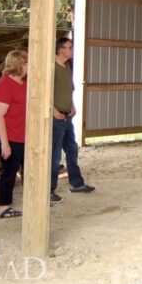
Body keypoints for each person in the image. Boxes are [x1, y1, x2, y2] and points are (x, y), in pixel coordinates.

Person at [51, 37, 94, 204]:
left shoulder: (67, 67)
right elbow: (46, 93)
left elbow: (68, 89)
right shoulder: (52, 68)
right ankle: (49, 191)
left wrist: (72, 105)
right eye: (70, 47)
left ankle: (76, 184)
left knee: (72, 150)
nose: (72, 50)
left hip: (67, 116)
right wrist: (54, 112)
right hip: (56, 118)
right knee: (55, 156)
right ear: (61, 50)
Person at [0, 49, 28, 219]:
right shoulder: (5, 84)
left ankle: (34, 200)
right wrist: (5, 144)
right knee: (10, 169)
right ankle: (4, 207)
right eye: (27, 62)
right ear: (20, 65)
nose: (30, 66)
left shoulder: (24, 82)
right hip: (6, 133)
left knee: (28, 165)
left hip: (20, 132)